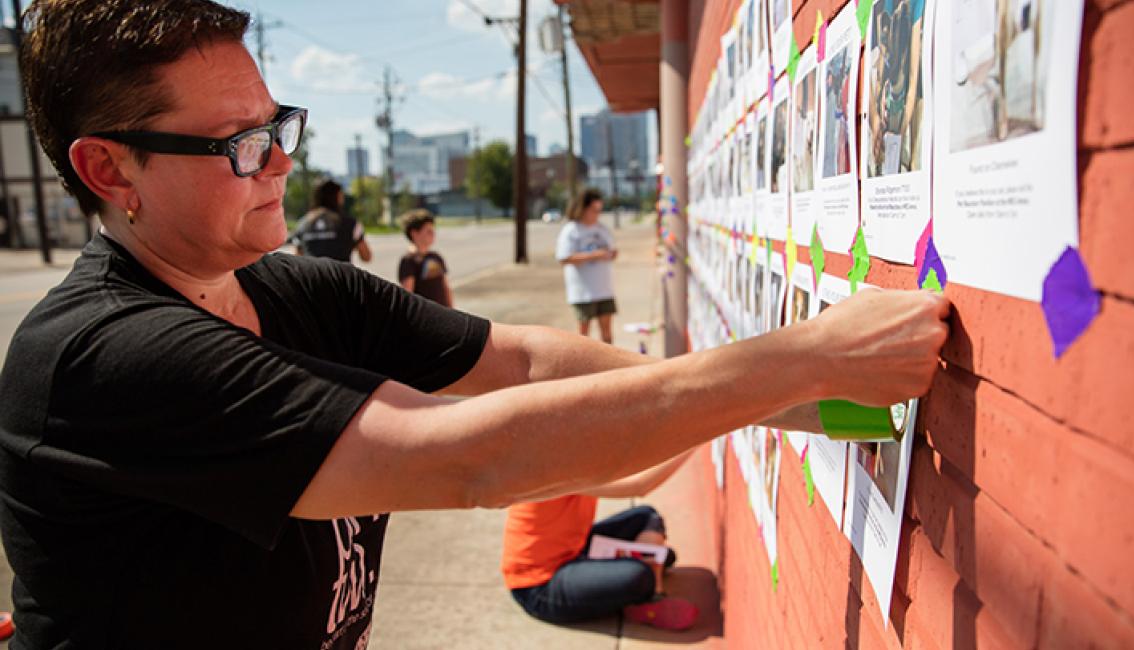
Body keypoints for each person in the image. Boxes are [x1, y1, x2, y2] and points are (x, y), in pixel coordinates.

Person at [0, 1, 950, 648]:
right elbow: (464, 461)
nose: (279, 162)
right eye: (237, 147)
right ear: (110, 171)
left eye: (277, 127)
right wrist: (801, 357)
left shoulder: (299, 292)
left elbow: (530, 363)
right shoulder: (101, 358)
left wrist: (805, 391)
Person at [503, 450, 699, 630]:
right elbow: (639, 485)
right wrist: (699, 437)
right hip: (540, 586)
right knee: (639, 575)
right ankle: (649, 597)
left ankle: (645, 581)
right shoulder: (554, 469)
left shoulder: (573, 454)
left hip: (575, 547)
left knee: (647, 518)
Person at [556, 188, 617, 343]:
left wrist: (611, 254)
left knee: (607, 335)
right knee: (584, 337)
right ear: (583, 208)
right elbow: (564, 258)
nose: (597, 214)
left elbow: (611, 249)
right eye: (594, 210)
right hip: (582, 292)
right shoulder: (571, 230)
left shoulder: (601, 228)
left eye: (599, 210)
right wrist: (595, 255)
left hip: (604, 289)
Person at [290, 179, 372, 263]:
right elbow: (366, 257)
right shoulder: (351, 224)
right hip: (341, 275)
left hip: (311, 275)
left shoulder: (302, 224)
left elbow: (296, 259)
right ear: (338, 197)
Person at [397, 208, 452, 307]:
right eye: (428, 231)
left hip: (443, 314)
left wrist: (451, 310)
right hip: (425, 317)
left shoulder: (436, 257)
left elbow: (445, 287)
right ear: (414, 233)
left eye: (433, 230)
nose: (433, 234)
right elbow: (408, 295)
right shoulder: (409, 260)